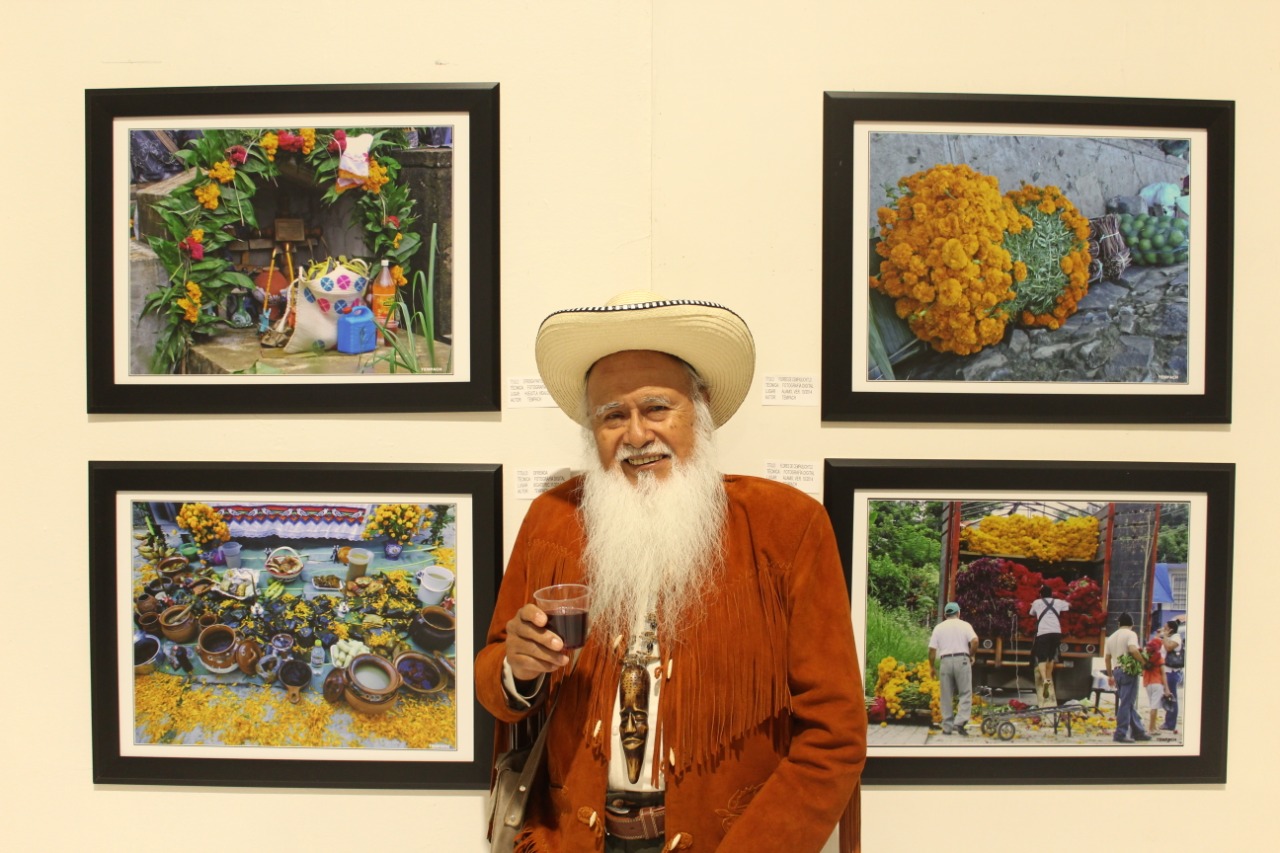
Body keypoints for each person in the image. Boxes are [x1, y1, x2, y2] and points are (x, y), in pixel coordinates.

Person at [476, 290, 867, 852]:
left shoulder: (787, 527)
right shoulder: (552, 520)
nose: (636, 435)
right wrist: (519, 668)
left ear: (699, 410)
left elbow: (835, 734)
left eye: (656, 408)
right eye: (613, 416)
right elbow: (496, 679)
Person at [928, 602, 978, 736]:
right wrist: (971, 654)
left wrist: (932, 666)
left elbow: (932, 650)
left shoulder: (939, 628)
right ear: (958, 613)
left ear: (945, 614)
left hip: (945, 661)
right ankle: (960, 722)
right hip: (962, 660)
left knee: (946, 694)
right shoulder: (965, 625)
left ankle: (947, 727)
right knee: (965, 692)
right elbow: (975, 641)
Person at [1104, 612, 1151, 743]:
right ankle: (1120, 733)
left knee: (1128, 703)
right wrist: (1143, 662)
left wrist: (1110, 675)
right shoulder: (1131, 634)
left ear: (1119, 624)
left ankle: (1138, 732)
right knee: (1126, 703)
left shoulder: (1112, 637)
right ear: (1132, 624)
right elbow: (1133, 650)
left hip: (1117, 671)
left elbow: (1107, 658)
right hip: (1128, 671)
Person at [1028, 584, 1070, 701]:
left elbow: (1031, 613)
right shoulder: (1058, 602)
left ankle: (1044, 679)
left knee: (1041, 657)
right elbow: (1068, 607)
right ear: (1052, 594)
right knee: (1051, 657)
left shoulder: (1037, 602)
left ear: (1041, 594)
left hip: (1043, 633)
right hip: (1056, 632)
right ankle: (1048, 678)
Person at [1142, 635, 1171, 733]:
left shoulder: (1145, 657)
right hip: (1157, 683)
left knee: (1154, 705)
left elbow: (1143, 671)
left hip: (1147, 684)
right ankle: (1151, 728)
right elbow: (1163, 674)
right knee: (1154, 706)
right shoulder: (1159, 658)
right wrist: (1167, 688)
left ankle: (1153, 727)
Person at [1160, 619, 1183, 733]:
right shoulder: (1170, 637)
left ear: (1171, 630)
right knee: (1168, 696)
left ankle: (1170, 723)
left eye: (1165, 628)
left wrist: (1164, 636)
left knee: (1171, 696)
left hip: (1172, 672)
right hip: (1166, 671)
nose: (1164, 630)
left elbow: (1169, 647)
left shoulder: (1177, 638)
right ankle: (1168, 721)